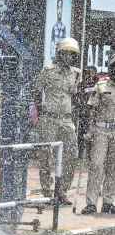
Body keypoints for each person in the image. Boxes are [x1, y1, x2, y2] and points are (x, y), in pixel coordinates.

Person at [30, 37, 80, 205]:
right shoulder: (48, 70)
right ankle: (47, 191)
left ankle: (62, 191)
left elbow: (75, 95)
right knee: (46, 156)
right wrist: (39, 110)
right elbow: (36, 91)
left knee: (71, 155)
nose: (70, 57)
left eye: (72, 55)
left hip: (66, 120)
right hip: (49, 118)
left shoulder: (76, 73)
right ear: (60, 54)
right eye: (66, 54)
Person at [82, 59, 115, 215]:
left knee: (113, 168)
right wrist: (89, 131)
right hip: (100, 129)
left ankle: (108, 201)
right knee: (96, 165)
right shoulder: (101, 86)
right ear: (110, 69)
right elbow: (91, 109)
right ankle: (91, 203)